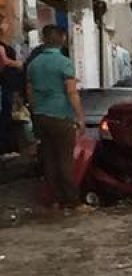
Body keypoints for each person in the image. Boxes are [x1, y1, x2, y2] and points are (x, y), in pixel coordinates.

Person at [26, 25, 87, 209]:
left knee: (49, 160)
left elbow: (29, 93)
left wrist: (36, 114)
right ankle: (73, 202)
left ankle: (53, 200)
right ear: (61, 38)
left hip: (40, 116)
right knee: (65, 161)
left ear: (44, 40)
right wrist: (80, 117)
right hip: (60, 116)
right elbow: (71, 92)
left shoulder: (33, 64)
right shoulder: (64, 62)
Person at [0, 13, 25, 154]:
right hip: (4, 87)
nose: (7, 25)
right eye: (4, 22)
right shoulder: (1, 46)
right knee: (4, 118)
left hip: (7, 87)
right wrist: (17, 64)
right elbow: (3, 61)